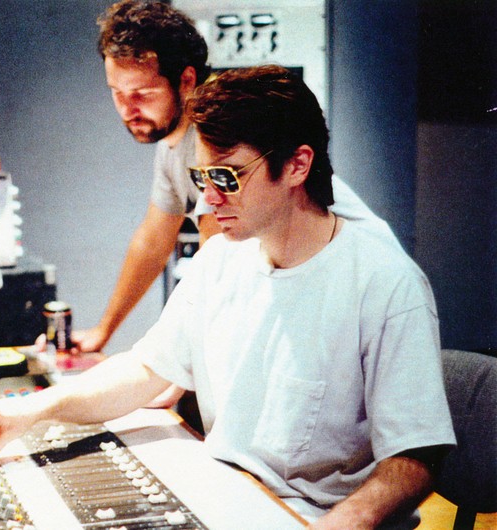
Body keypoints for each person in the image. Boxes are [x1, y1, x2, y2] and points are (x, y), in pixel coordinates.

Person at [0, 65, 455, 529]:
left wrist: (344, 522)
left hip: (307, 516)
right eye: (202, 178)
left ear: (297, 165)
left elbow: (414, 458)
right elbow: (144, 370)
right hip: (225, 494)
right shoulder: (220, 260)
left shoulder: (386, 283)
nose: (209, 198)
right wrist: (32, 410)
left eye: (227, 177)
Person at [74, 0, 398, 356]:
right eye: (117, 93)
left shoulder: (213, 133)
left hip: (359, 294)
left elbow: (218, 267)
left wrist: (175, 369)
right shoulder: (174, 142)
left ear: (186, 80)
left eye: (142, 94)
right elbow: (153, 241)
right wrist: (104, 330)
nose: (127, 109)